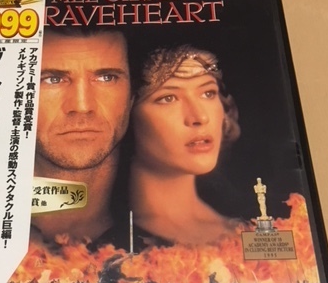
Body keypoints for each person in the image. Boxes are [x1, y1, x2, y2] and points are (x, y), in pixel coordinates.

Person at [129, 45, 240, 245]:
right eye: (168, 98)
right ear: (126, 115)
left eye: (208, 93)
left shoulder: (246, 228)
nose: (200, 117)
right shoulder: (108, 247)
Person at [31, 28, 133, 243]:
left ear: (132, 97)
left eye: (106, 78)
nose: (82, 106)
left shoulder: (175, 244)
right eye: (52, 79)